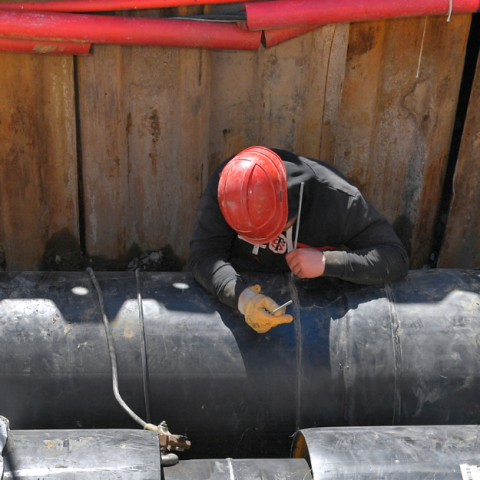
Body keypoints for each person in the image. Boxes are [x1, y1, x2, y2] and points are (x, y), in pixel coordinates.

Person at [190, 146, 409, 334]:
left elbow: (394, 257)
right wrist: (242, 298)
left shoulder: (336, 198)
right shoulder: (229, 186)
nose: (267, 241)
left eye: (273, 230)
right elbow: (204, 254)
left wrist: (327, 262)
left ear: (293, 207)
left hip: (313, 308)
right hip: (245, 291)